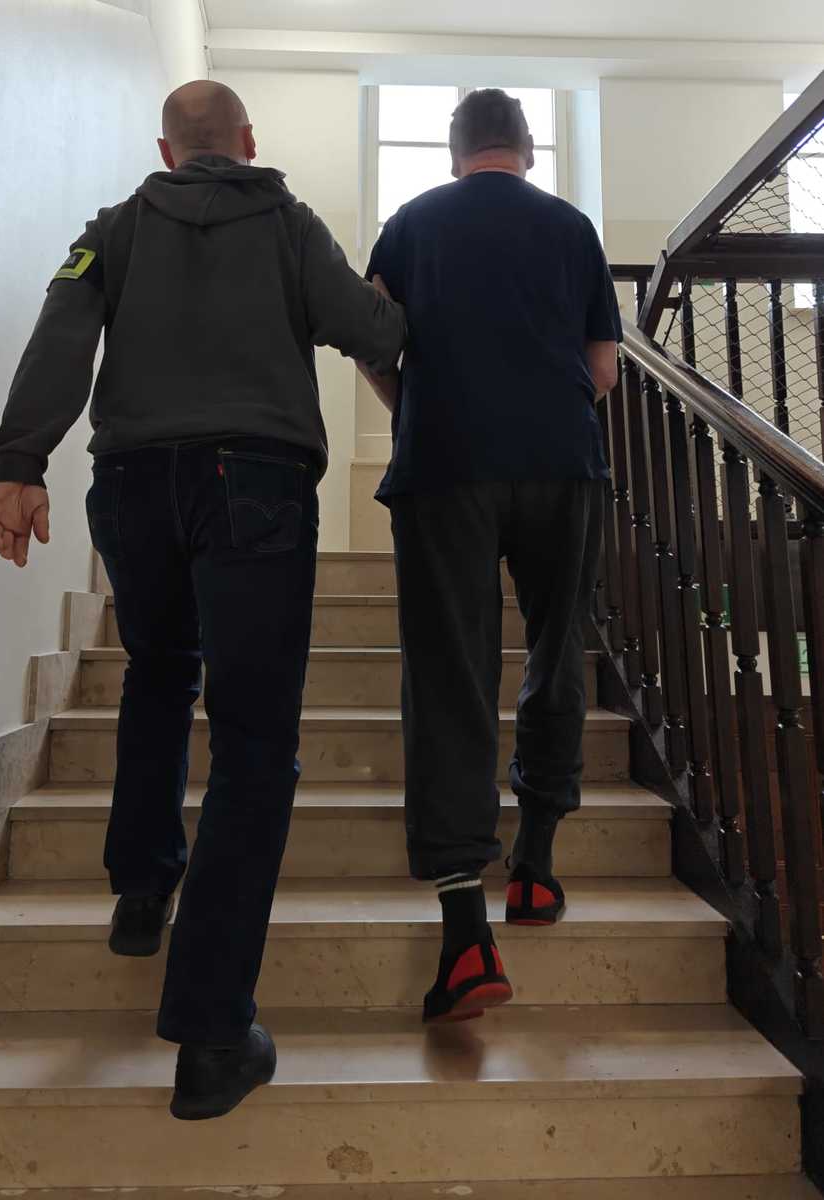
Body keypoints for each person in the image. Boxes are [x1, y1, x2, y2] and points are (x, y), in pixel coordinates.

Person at [0, 80, 406, 1118]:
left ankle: (141, 891)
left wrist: (20, 461)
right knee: (253, 745)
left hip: (131, 485)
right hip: (254, 482)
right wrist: (400, 298)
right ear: (247, 141)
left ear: (167, 149)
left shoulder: (115, 227)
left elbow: (60, 327)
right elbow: (367, 327)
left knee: (158, 673)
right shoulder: (289, 222)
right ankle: (213, 1036)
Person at [359, 88, 621, 1025]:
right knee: (557, 648)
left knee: (451, 673)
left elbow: (371, 342)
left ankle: (466, 931)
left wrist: (420, 410)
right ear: (528, 150)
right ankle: (537, 867)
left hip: (444, 467)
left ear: (454, 150)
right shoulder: (573, 228)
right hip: (561, 463)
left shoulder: (409, 225)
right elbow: (602, 368)